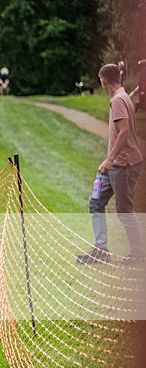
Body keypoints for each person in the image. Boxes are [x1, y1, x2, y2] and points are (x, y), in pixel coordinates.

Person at [78, 64, 145, 264]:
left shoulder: (118, 100)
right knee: (96, 202)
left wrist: (109, 159)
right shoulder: (123, 96)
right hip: (117, 165)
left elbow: (124, 131)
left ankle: (139, 253)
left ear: (103, 80)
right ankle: (101, 250)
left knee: (125, 210)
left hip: (123, 165)